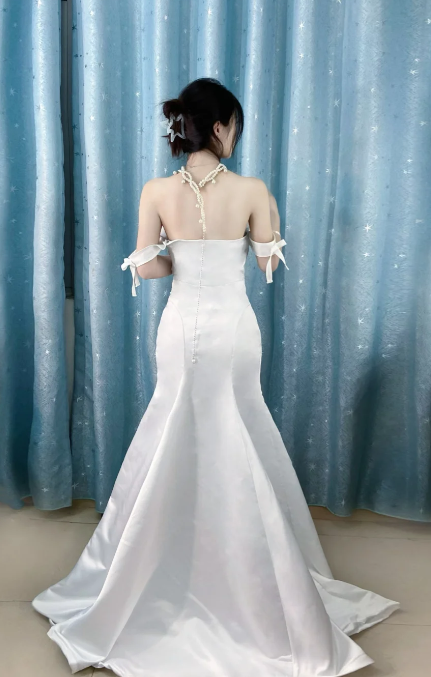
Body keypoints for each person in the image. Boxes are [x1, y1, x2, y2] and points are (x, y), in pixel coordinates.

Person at [32, 78, 400, 677]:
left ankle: (152, 565)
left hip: (181, 329)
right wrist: (263, 226)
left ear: (185, 127)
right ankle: (250, 574)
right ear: (223, 126)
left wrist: (181, 255)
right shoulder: (253, 190)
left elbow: (148, 269)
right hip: (233, 332)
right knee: (238, 425)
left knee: (173, 422)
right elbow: (267, 260)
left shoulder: (157, 191)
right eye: (235, 127)